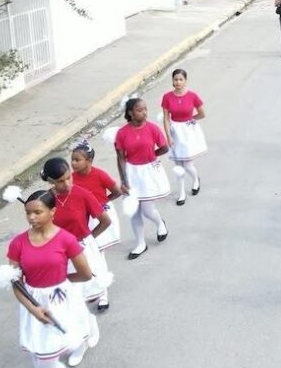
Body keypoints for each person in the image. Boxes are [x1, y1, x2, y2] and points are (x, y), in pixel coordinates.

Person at [3, 190, 96, 368]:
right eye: (28, 213)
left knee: (46, 363)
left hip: (61, 301)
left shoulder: (66, 239)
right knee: (41, 361)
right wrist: (33, 309)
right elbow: (16, 283)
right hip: (33, 302)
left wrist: (61, 281)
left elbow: (86, 274)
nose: (31, 217)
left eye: (37, 212)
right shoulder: (17, 244)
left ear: (52, 211)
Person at [40, 157, 112, 311]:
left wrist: (88, 238)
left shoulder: (82, 193)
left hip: (82, 248)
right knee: (72, 298)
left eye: (69, 177)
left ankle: (97, 309)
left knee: (90, 292)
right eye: (60, 181)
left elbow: (105, 221)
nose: (67, 184)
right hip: (59, 253)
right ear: (51, 181)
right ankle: (86, 332)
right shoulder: (45, 201)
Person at [114, 97, 170, 260]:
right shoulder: (122, 133)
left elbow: (164, 147)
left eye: (145, 109)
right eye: (139, 110)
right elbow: (121, 158)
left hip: (148, 172)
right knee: (134, 211)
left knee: (147, 209)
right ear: (130, 113)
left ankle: (160, 223)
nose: (144, 112)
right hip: (132, 172)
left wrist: (152, 156)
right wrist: (124, 180)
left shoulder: (153, 128)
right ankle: (140, 243)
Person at [71, 143, 123, 271]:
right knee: (89, 251)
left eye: (77, 160)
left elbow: (117, 191)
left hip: (99, 216)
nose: (73, 163)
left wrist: (103, 202)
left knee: (97, 249)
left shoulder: (100, 175)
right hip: (83, 217)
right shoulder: (71, 179)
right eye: (72, 160)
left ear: (89, 160)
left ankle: (101, 277)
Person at [161, 69, 207, 204]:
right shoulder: (167, 97)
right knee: (178, 165)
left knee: (187, 164)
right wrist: (168, 136)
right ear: (172, 81)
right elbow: (166, 118)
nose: (178, 82)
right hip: (175, 131)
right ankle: (181, 193)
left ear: (185, 81)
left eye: (181, 79)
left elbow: (202, 113)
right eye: (175, 79)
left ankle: (195, 179)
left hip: (187, 132)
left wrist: (191, 119)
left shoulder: (192, 96)